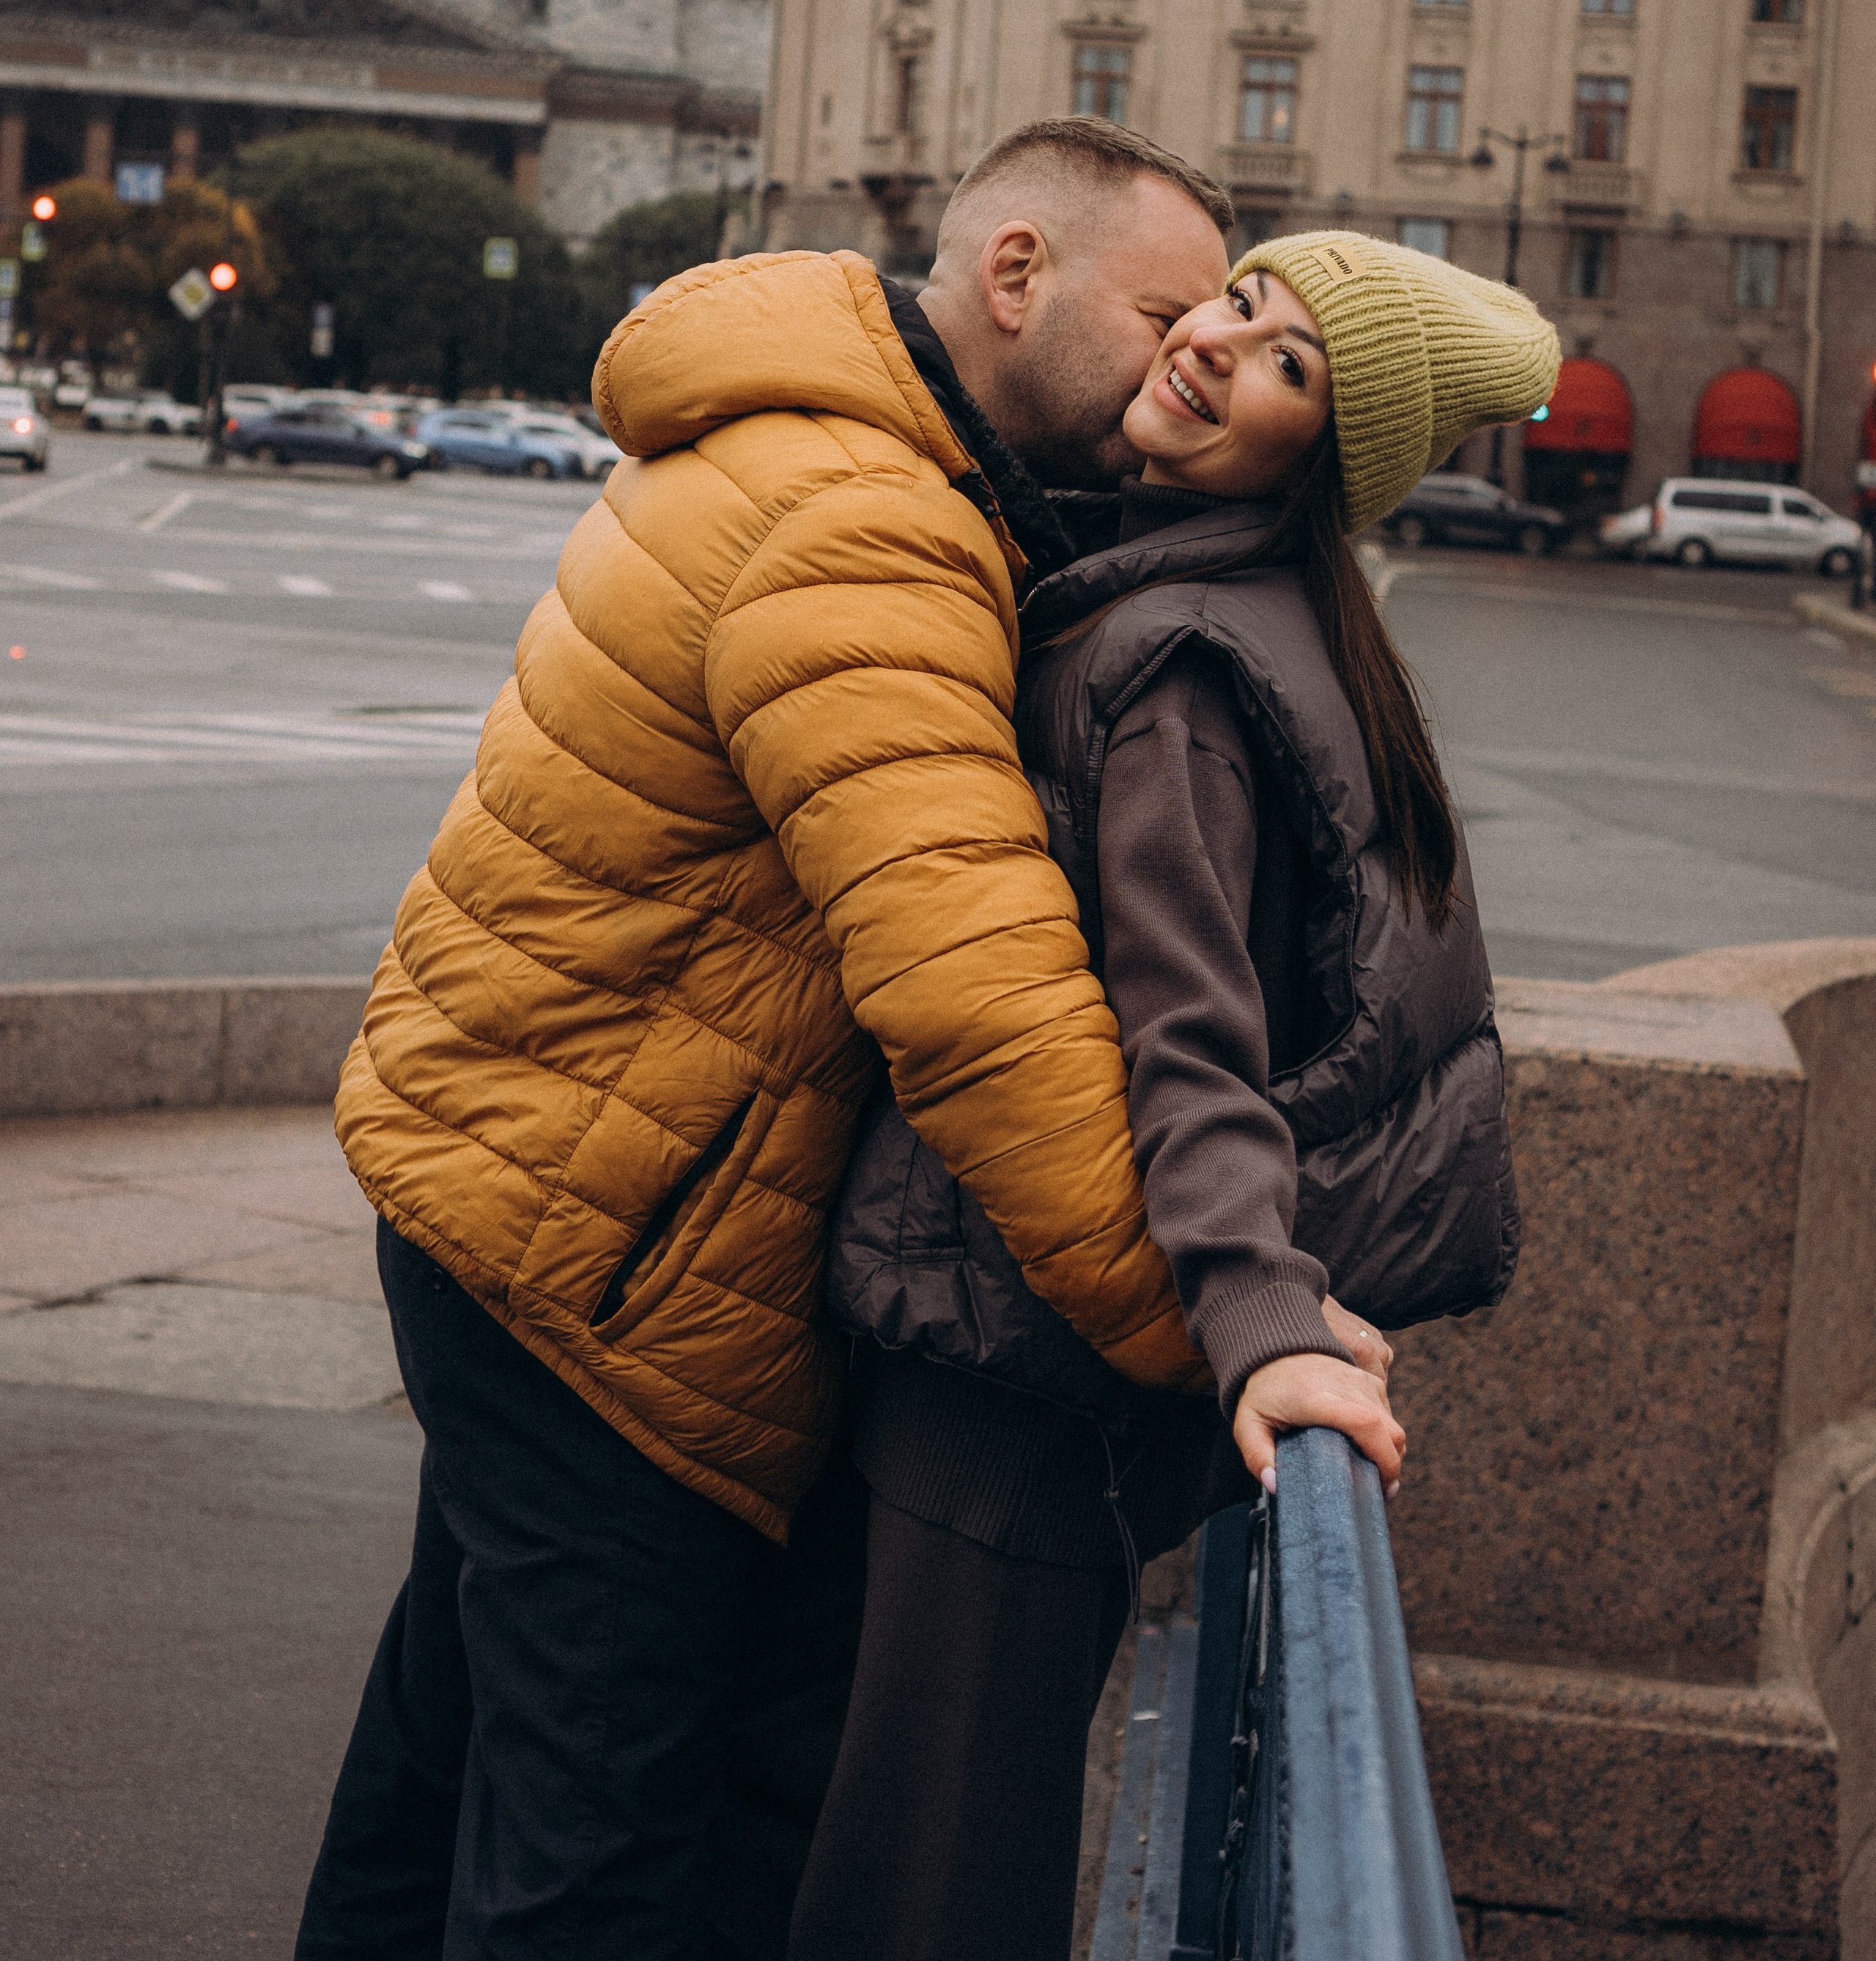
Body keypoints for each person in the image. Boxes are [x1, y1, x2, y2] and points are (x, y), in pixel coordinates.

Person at [295, 118, 1237, 1961]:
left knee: (449, 1752)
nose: (1183, 359)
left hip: (523, 1191)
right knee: (590, 1847)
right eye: (1163, 311)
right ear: (1015, 275)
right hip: (611, 1260)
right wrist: (1183, 1324)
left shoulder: (835, 445)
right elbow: (970, 982)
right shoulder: (863, 525)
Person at [800, 229, 1560, 1961]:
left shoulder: (1176, 662)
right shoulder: (1240, 615)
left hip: (1003, 1369)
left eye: (1289, 364)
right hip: (1033, 1353)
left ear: (1322, 460)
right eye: (1237, 306)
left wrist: (1257, 1307)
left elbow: (1188, 1037)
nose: (1220, 348)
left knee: (921, 1877)